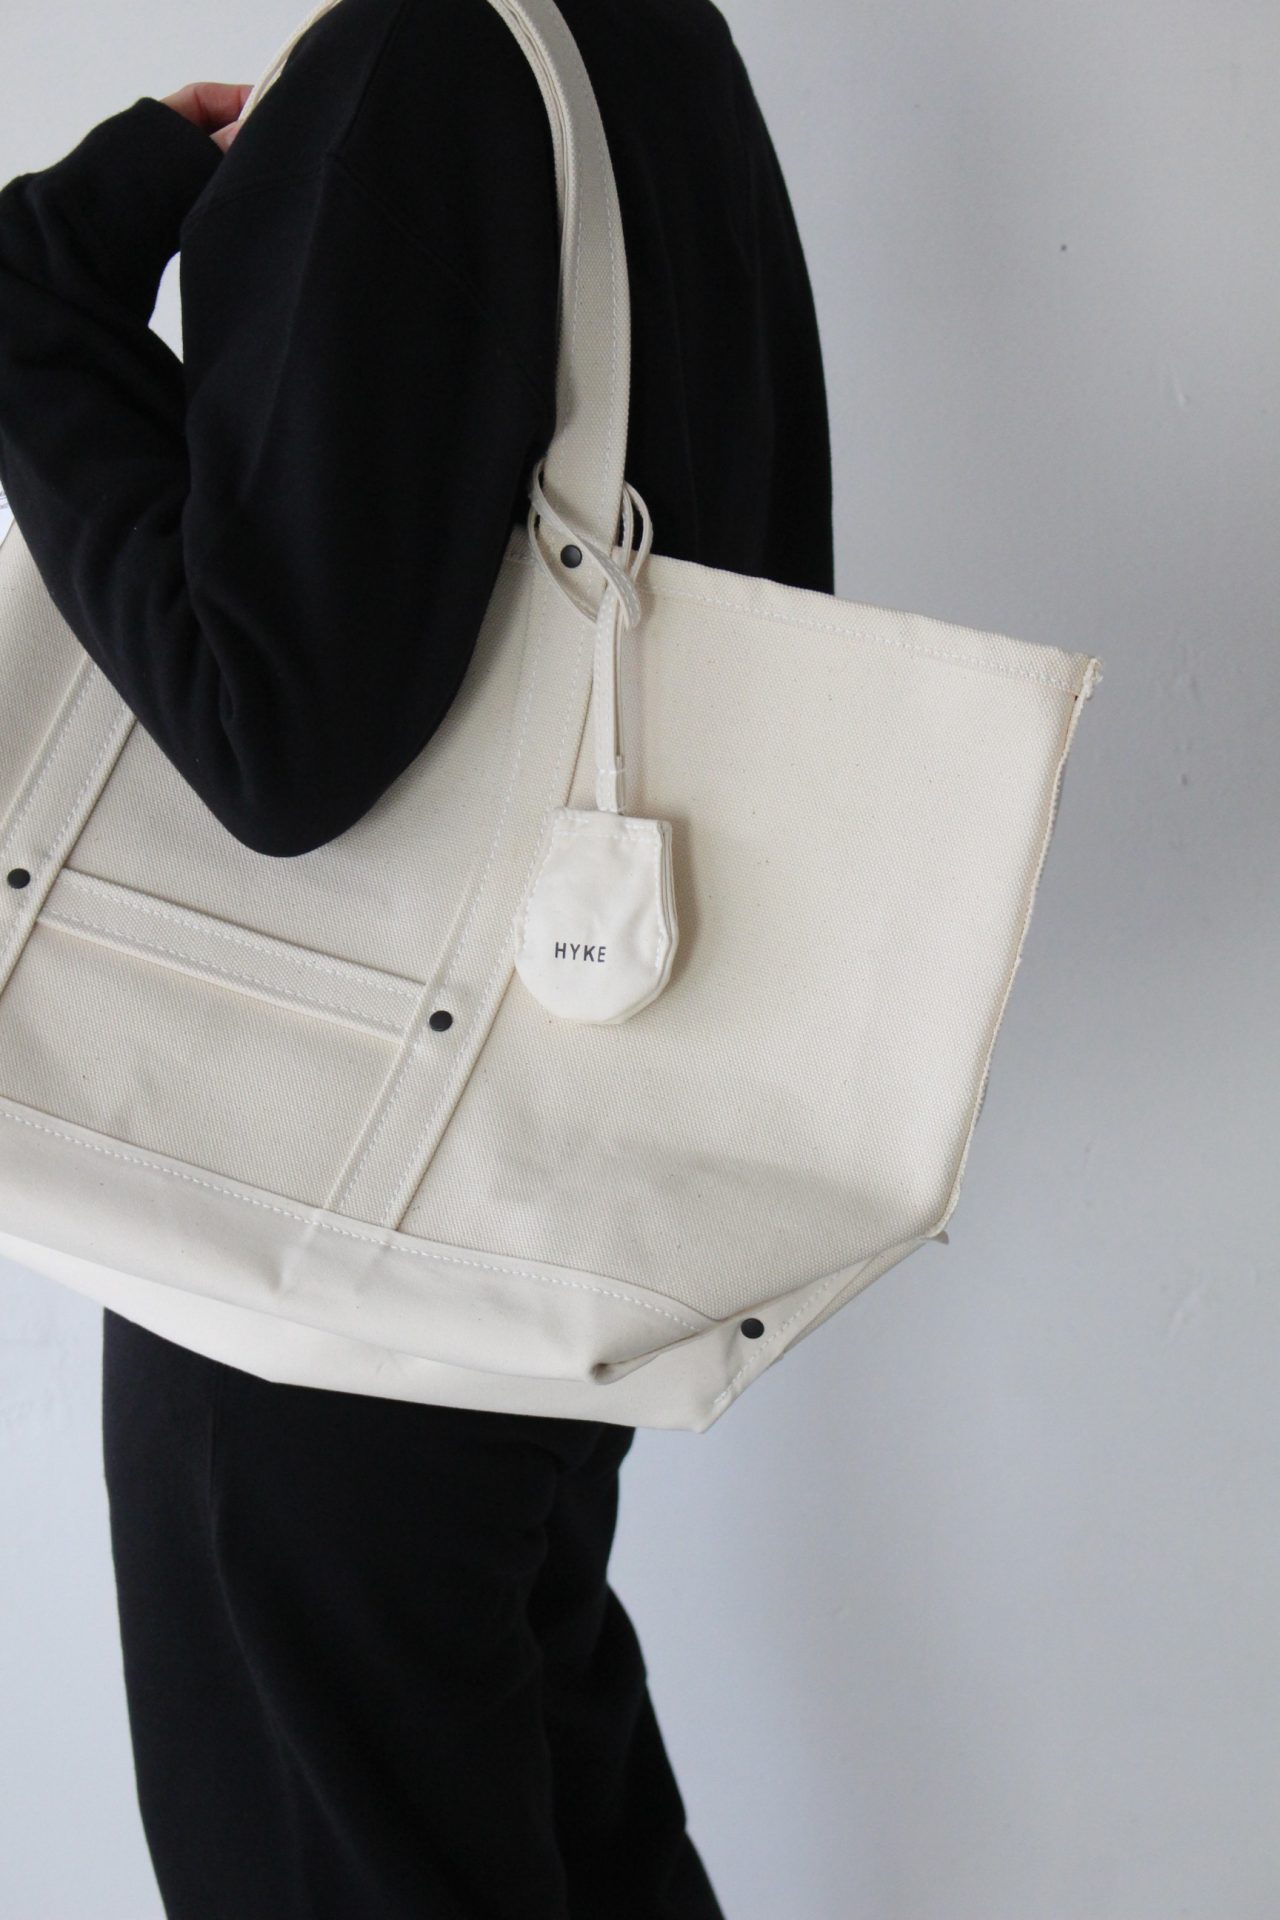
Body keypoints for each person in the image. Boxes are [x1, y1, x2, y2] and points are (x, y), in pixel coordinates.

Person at [0, 0, 833, 1912]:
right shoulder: (643, 41)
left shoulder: (424, 65)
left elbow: (272, 731)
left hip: (327, 1258)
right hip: (542, 1192)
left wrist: (35, 294)